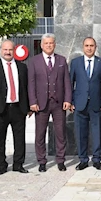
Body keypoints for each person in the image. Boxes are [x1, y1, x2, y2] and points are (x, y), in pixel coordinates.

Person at [0, 40, 31, 174]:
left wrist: (27, 107)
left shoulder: (22, 67)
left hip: (18, 108)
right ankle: (1, 165)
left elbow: (25, 88)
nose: (8, 52)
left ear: (14, 51)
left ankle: (18, 164)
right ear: (0, 50)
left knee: (20, 138)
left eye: (10, 50)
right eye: (5, 49)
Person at [27, 33, 72, 172]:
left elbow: (66, 82)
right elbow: (31, 83)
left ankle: (60, 160)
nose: (48, 45)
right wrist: (32, 101)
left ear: (55, 44)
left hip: (58, 103)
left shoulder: (61, 60)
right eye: (46, 43)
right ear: (41, 45)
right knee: (40, 134)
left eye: (51, 43)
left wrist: (67, 99)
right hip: (41, 104)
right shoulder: (34, 61)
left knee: (60, 133)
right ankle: (42, 161)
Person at [70, 37, 101, 170]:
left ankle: (97, 159)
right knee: (81, 133)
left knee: (97, 132)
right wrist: (71, 101)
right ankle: (83, 160)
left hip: (97, 103)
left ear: (95, 47)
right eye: (87, 45)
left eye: (92, 45)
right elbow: (70, 82)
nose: (89, 48)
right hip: (80, 103)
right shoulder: (75, 63)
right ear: (83, 47)